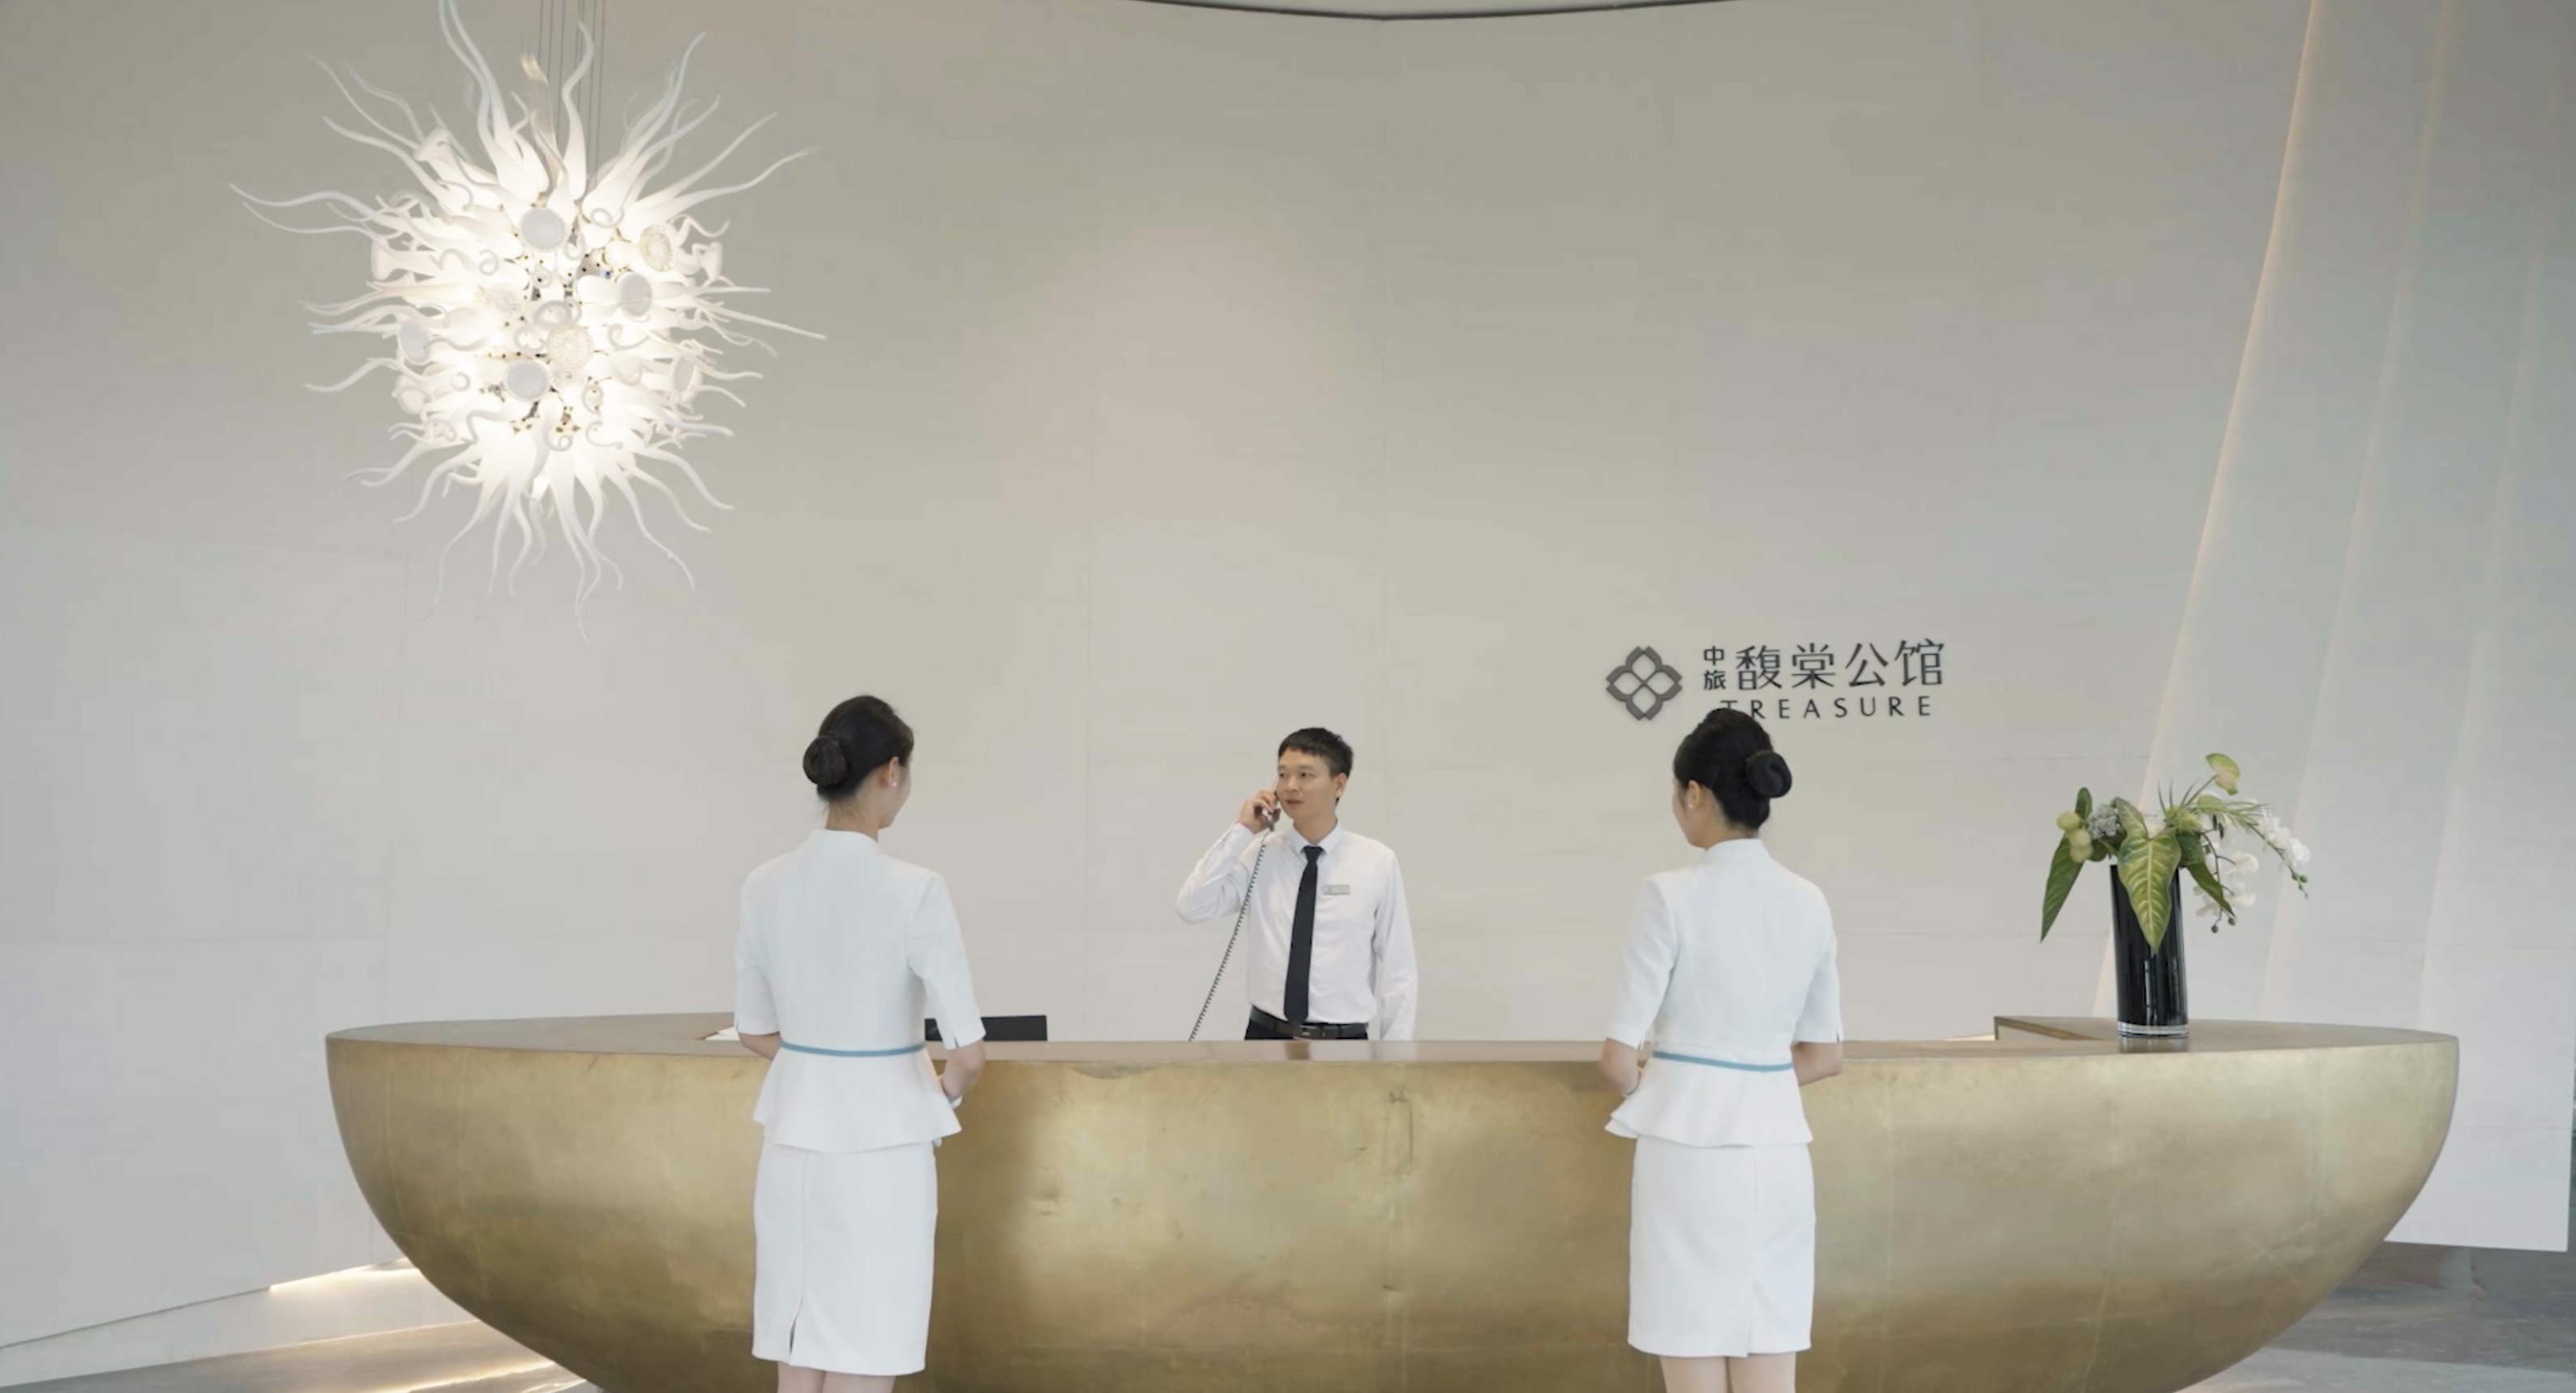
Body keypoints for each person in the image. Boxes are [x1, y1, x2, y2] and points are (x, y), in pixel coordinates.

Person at [731, 696, 987, 1393]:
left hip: (792, 1142)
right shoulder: (917, 889)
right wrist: (935, 1094)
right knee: (867, 1347)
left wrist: (820, 1068)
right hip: (887, 1146)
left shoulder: (763, 883)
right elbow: (968, 1055)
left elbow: (753, 1029)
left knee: (798, 1343)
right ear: (891, 771)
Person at [1597, 709, 1844, 1393]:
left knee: (1691, 1344)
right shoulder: (1809, 900)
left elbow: (1617, 1061)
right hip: (1781, 1158)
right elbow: (1825, 1056)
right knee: (1769, 1347)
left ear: (1695, 793)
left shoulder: (1668, 894)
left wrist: (1665, 1088)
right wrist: (1752, 1081)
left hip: (1688, 1159)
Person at [1175, 727, 1419, 1040]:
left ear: (1338, 784)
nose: (1291, 786)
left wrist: (1396, 1053)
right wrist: (1241, 831)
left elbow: (1400, 968)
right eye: (1282, 775)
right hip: (1267, 1037)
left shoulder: (1376, 861)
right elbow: (1192, 907)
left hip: (1345, 1044)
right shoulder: (1260, 854)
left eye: (1305, 775)